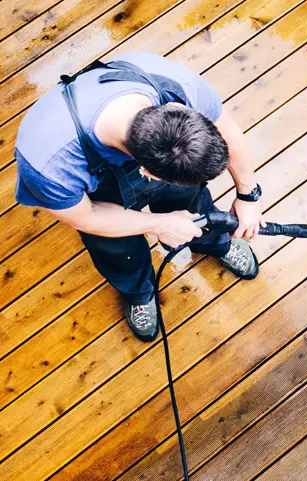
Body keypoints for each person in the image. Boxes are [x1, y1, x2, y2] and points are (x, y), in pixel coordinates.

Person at [14, 52, 265, 342]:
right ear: (148, 173)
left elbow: (227, 130)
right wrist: (158, 225)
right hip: (97, 200)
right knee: (116, 247)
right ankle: (138, 290)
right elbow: (85, 217)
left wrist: (249, 195)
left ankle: (214, 241)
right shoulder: (49, 162)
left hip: (154, 166)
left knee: (193, 203)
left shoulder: (178, 87)